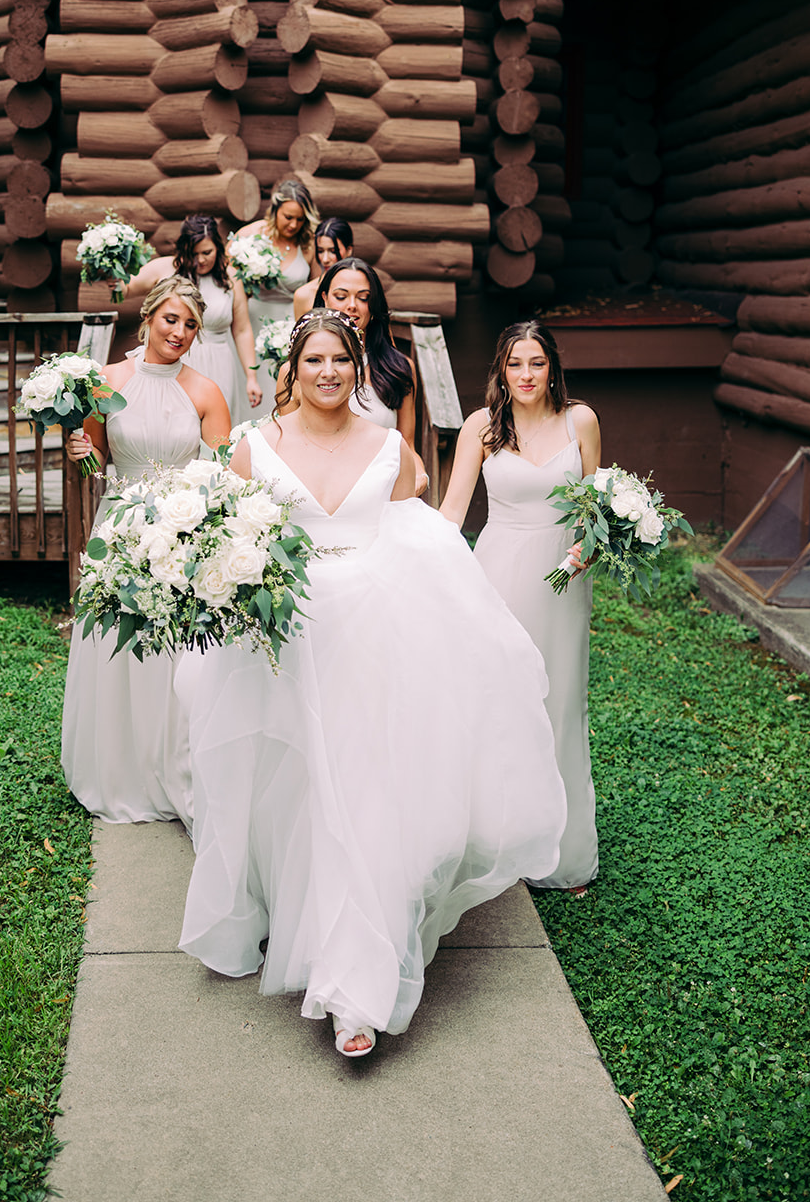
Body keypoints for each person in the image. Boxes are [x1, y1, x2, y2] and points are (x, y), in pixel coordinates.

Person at [177, 310, 566, 1058]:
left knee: (365, 802)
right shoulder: (253, 448)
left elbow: (417, 543)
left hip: (372, 649)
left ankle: (354, 991)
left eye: (340, 359)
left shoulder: (392, 450)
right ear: (292, 367)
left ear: (359, 368)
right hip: (286, 643)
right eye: (314, 358)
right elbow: (228, 547)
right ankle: (282, 913)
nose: (328, 371)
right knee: (294, 798)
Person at [61, 277, 231, 828]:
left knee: (177, 653)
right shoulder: (107, 383)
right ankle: (118, 768)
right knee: (117, 646)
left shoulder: (205, 391)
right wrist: (79, 449)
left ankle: (174, 765)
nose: (179, 332)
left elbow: (226, 473)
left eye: (190, 325)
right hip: (120, 523)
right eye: (170, 320)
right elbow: (93, 456)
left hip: (181, 531)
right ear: (149, 317)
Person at [439, 320, 601, 893]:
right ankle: (495, 841)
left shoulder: (580, 420)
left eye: (536, 363)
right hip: (500, 572)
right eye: (515, 364)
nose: (526, 375)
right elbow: (452, 512)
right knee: (499, 701)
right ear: (500, 371)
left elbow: (593, 509)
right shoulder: (482, 428)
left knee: (559, 703)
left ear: (552, 366)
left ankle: (564, 852)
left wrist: (589, 546)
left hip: (563, 582)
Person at [283, 256, 427, 494]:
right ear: (324, 298)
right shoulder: (296, 371)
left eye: (363, 298)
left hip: (381, 491)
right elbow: (285, 446)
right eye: (341, 296)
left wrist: (420, 474)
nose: (352, 306)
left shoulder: (399, 368)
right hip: (318, 490)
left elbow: (407, 444)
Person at [121, 214, 262, 423]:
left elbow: (242, 330)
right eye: (194, 254)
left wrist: (251, 377)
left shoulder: (231, 277)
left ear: (218, 248)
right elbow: (126, 289)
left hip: (221, 362)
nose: (201, 260)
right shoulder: (165, 268)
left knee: (218, 422)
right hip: (176, 357)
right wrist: (113, 267)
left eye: (207, 252)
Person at [232, 177, 319, 408]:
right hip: (251, 324)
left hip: (292, 324)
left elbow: (317, 288)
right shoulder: (250, 237)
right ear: (275, 209)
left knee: (283, 390)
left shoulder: (309, 244)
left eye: (300, 219)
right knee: (252, 391)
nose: (293, 225)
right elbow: (228, 280)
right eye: (288, 217)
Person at [292, 217, 354, 319]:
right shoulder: (304, 294)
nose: (325, 259)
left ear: (349, 250)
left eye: (333, 251)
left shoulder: (363, 290)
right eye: (320, 251)